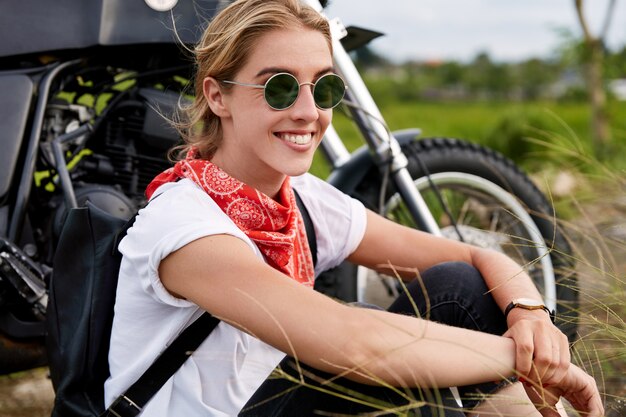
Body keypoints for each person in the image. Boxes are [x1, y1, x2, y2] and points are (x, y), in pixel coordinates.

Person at [104, 0, 604, 416]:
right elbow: (354, 343)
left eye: (324, 87)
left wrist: (531, 314)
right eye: (278, 87)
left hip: (269, 396)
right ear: (218, 95)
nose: (307, 111)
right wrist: (526, 358)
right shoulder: (184, 226)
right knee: (387, 362)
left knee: (461, 288)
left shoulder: (301, 201)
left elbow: (474, 261)